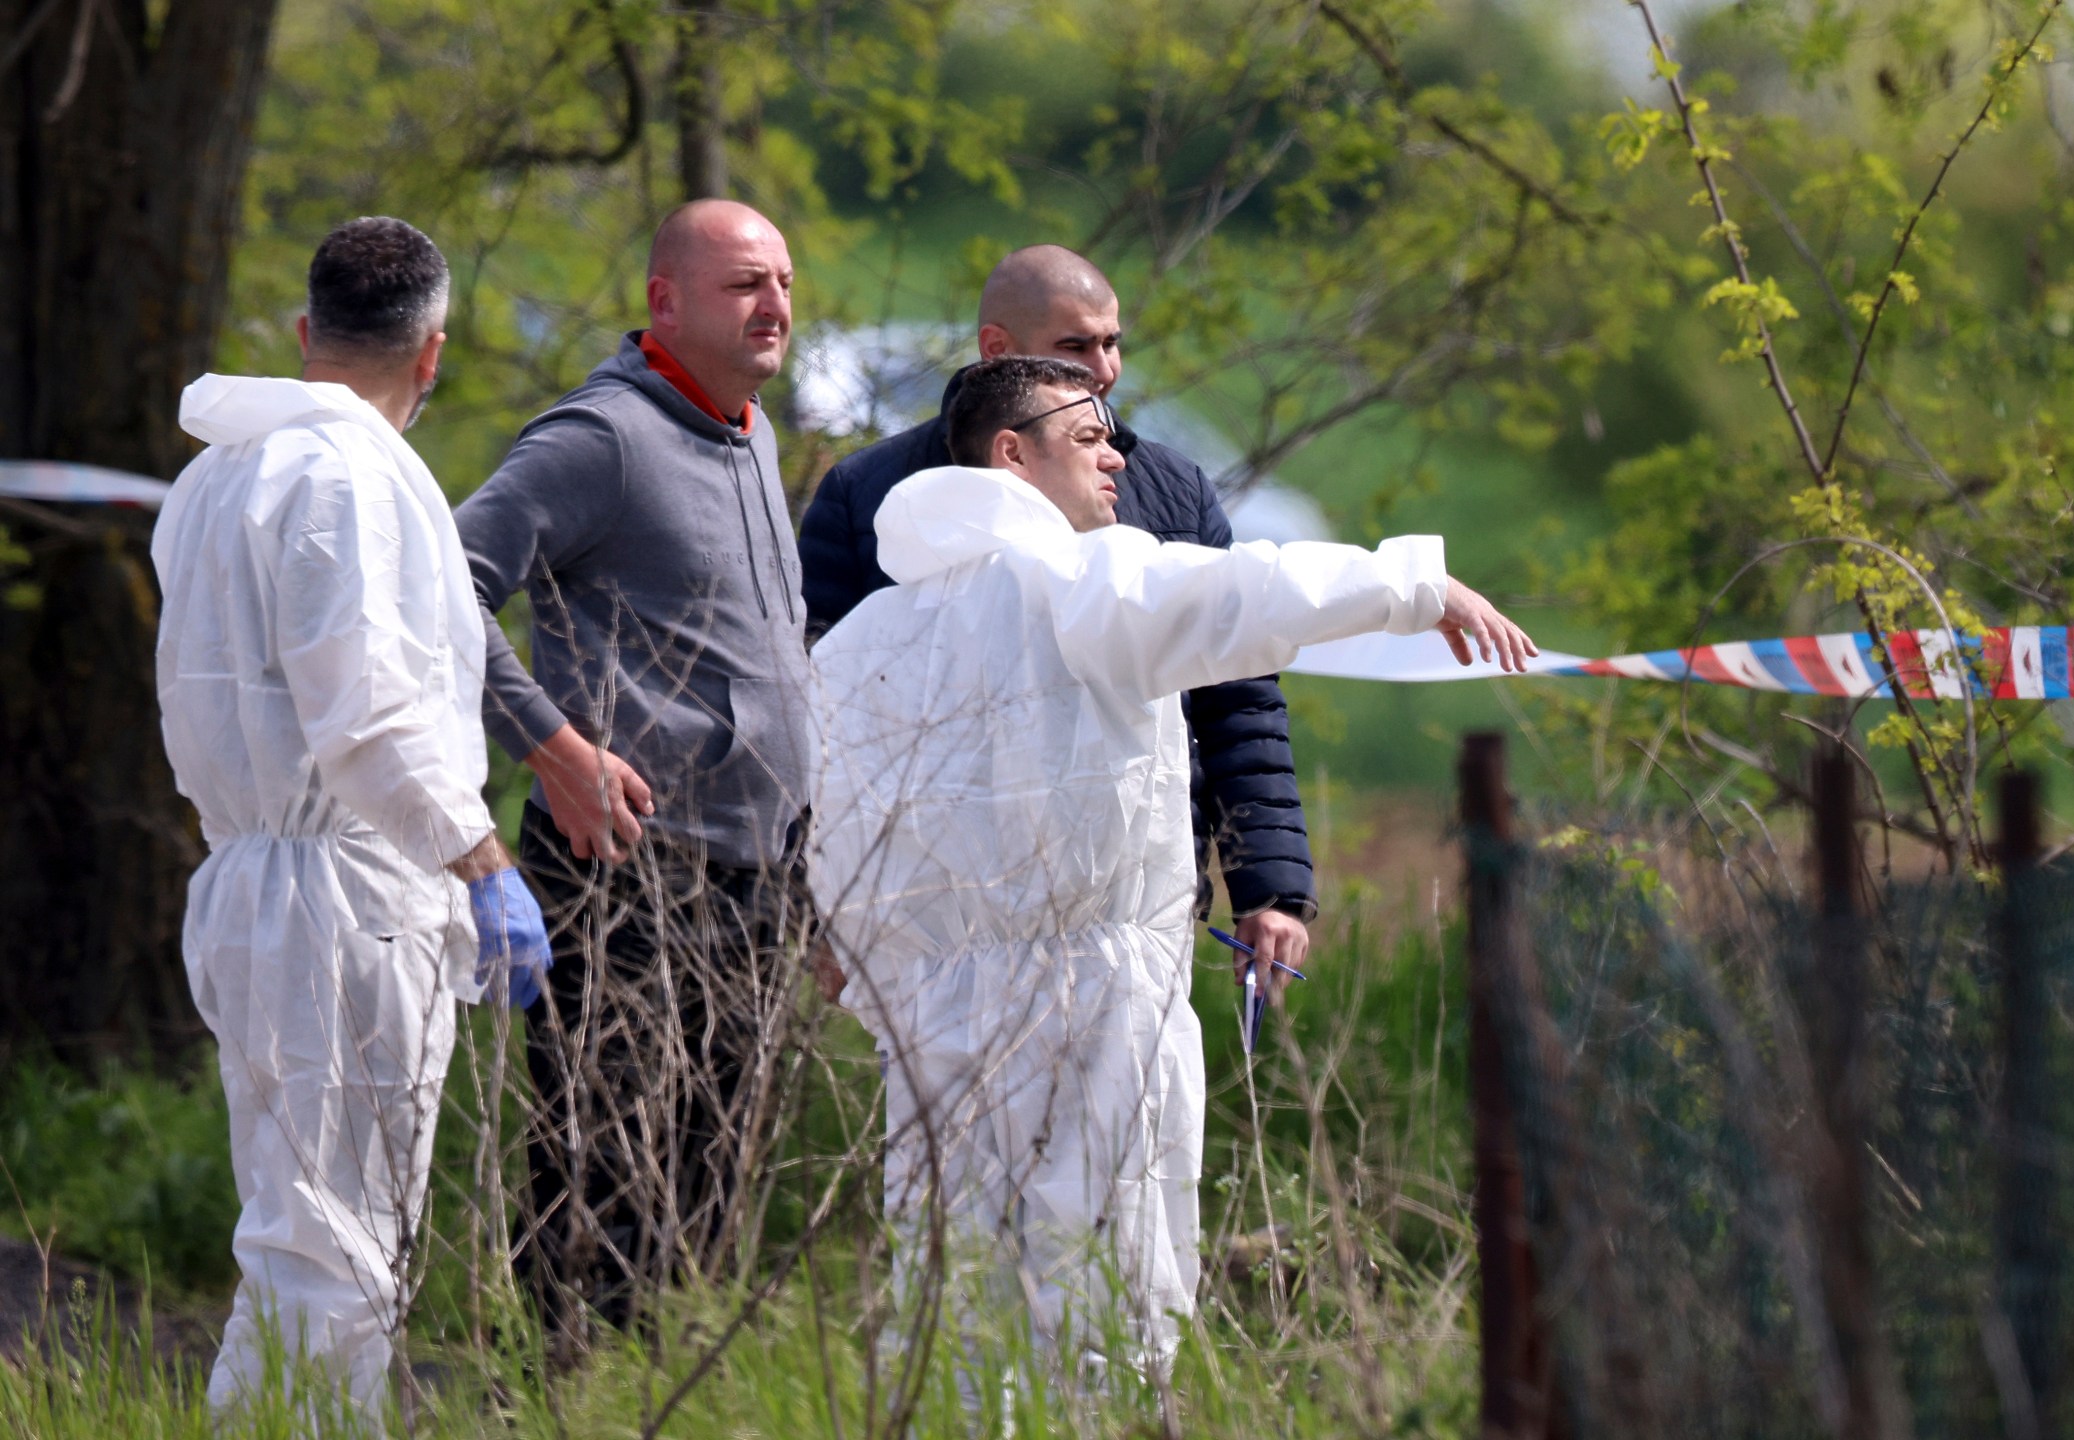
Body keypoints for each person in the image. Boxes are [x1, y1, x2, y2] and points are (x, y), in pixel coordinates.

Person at [805, 355, 1535, 1371]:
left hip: (933, 1023)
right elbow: (1245, 590)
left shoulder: (865, 640)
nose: (1115, 454)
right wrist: (1415, 585)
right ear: (1010, 455)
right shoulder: (1090, 580)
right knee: (1111, 1287)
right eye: (1086, 434)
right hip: (1098, 1010)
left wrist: (900, 988)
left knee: (954, 1292)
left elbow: (837, 844)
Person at [152, 216, 550, 1421]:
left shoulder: (219, 473)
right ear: (433, 355)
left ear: (304, 333)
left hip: (252, 881)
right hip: (344, 895)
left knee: (303, 1233)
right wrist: (479, 856)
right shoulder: (350, 477)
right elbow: (365, 709)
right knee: (335, 1251)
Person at [453, 199, 815, 1344]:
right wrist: (551, 748)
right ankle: (565, 1402)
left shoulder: (749, 429)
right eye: (745, 284)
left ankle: (664, 1402)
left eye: (786, 284)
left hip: (759, 884)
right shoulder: (596, 439)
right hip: (627, 877)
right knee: (600, 1193)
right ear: (664, 301)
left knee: (706, 1204)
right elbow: (439, 591)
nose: (776, 307)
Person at [798, 245, 1320, 984]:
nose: (1104, 369)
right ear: (996, 351)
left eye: (1112, 342)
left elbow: (1239, 700)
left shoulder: (1170, 491)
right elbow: (828, 720)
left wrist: (1270, 890)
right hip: (941, 923)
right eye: (1075, 346)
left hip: (1132, 910)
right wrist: (828, 908)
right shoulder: (869, 491)